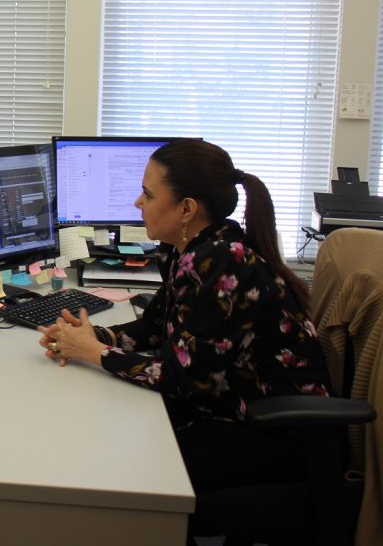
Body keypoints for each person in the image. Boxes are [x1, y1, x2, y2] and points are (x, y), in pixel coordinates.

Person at [37, 138, 330, 536]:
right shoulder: (190, 249)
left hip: (272, 431)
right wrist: (89, 335)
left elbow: (185, 382)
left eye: (147, 193)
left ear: (187, 208)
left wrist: (97, 353)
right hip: (230, 407)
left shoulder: (224, 263)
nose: (137, 203)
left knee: (128, 471)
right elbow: (154, 327)